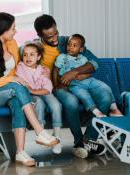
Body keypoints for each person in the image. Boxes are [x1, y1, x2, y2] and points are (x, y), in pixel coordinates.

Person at [0, 12, 59, 167]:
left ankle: (20, 152)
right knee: (16, 86)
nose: (16, 31)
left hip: (14, 91)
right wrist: (11, 79)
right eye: (13, 28)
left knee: (17, 103)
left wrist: (40, 71)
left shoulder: (12, 44)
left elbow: (23, 67)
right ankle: (40, 131)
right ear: (4, 30)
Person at [33, 14, 111, 158]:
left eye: (56, 33)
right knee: (71, 102)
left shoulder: (68, 41)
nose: (55, 38)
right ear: (39, 35)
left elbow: (94, 62)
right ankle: (79, 142)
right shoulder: (35, 48)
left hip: (80, 82)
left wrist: (74, 72)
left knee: (106, 98)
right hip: (59, 87)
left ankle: (87, 140)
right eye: (50, 36)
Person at [54, 34, 123, 118]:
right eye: (69, 44)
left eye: (74, 45)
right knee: (83, 95)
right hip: (75, 84)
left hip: (89, 80)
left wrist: (82, 75)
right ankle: (94, 110)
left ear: (81, 49)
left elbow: (90, 71)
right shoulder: (62, 57)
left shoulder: (83, 58)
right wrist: (57, 85)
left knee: (104, 86)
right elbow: (55, 70)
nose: (70, 47)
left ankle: (114, 108)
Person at [16, 42, 63, 154]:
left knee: (56, 105)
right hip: (31, 95)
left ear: (38, 57)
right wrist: (32, 91)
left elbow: (48, 88)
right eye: (25, 55)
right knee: (39, 103)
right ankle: (41, 133)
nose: (28, 57)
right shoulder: (20, 68)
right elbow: (24, 86)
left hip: (43, 92)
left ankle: (57, 135)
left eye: (32, 54)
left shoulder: (43, 69)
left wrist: (34, 90)